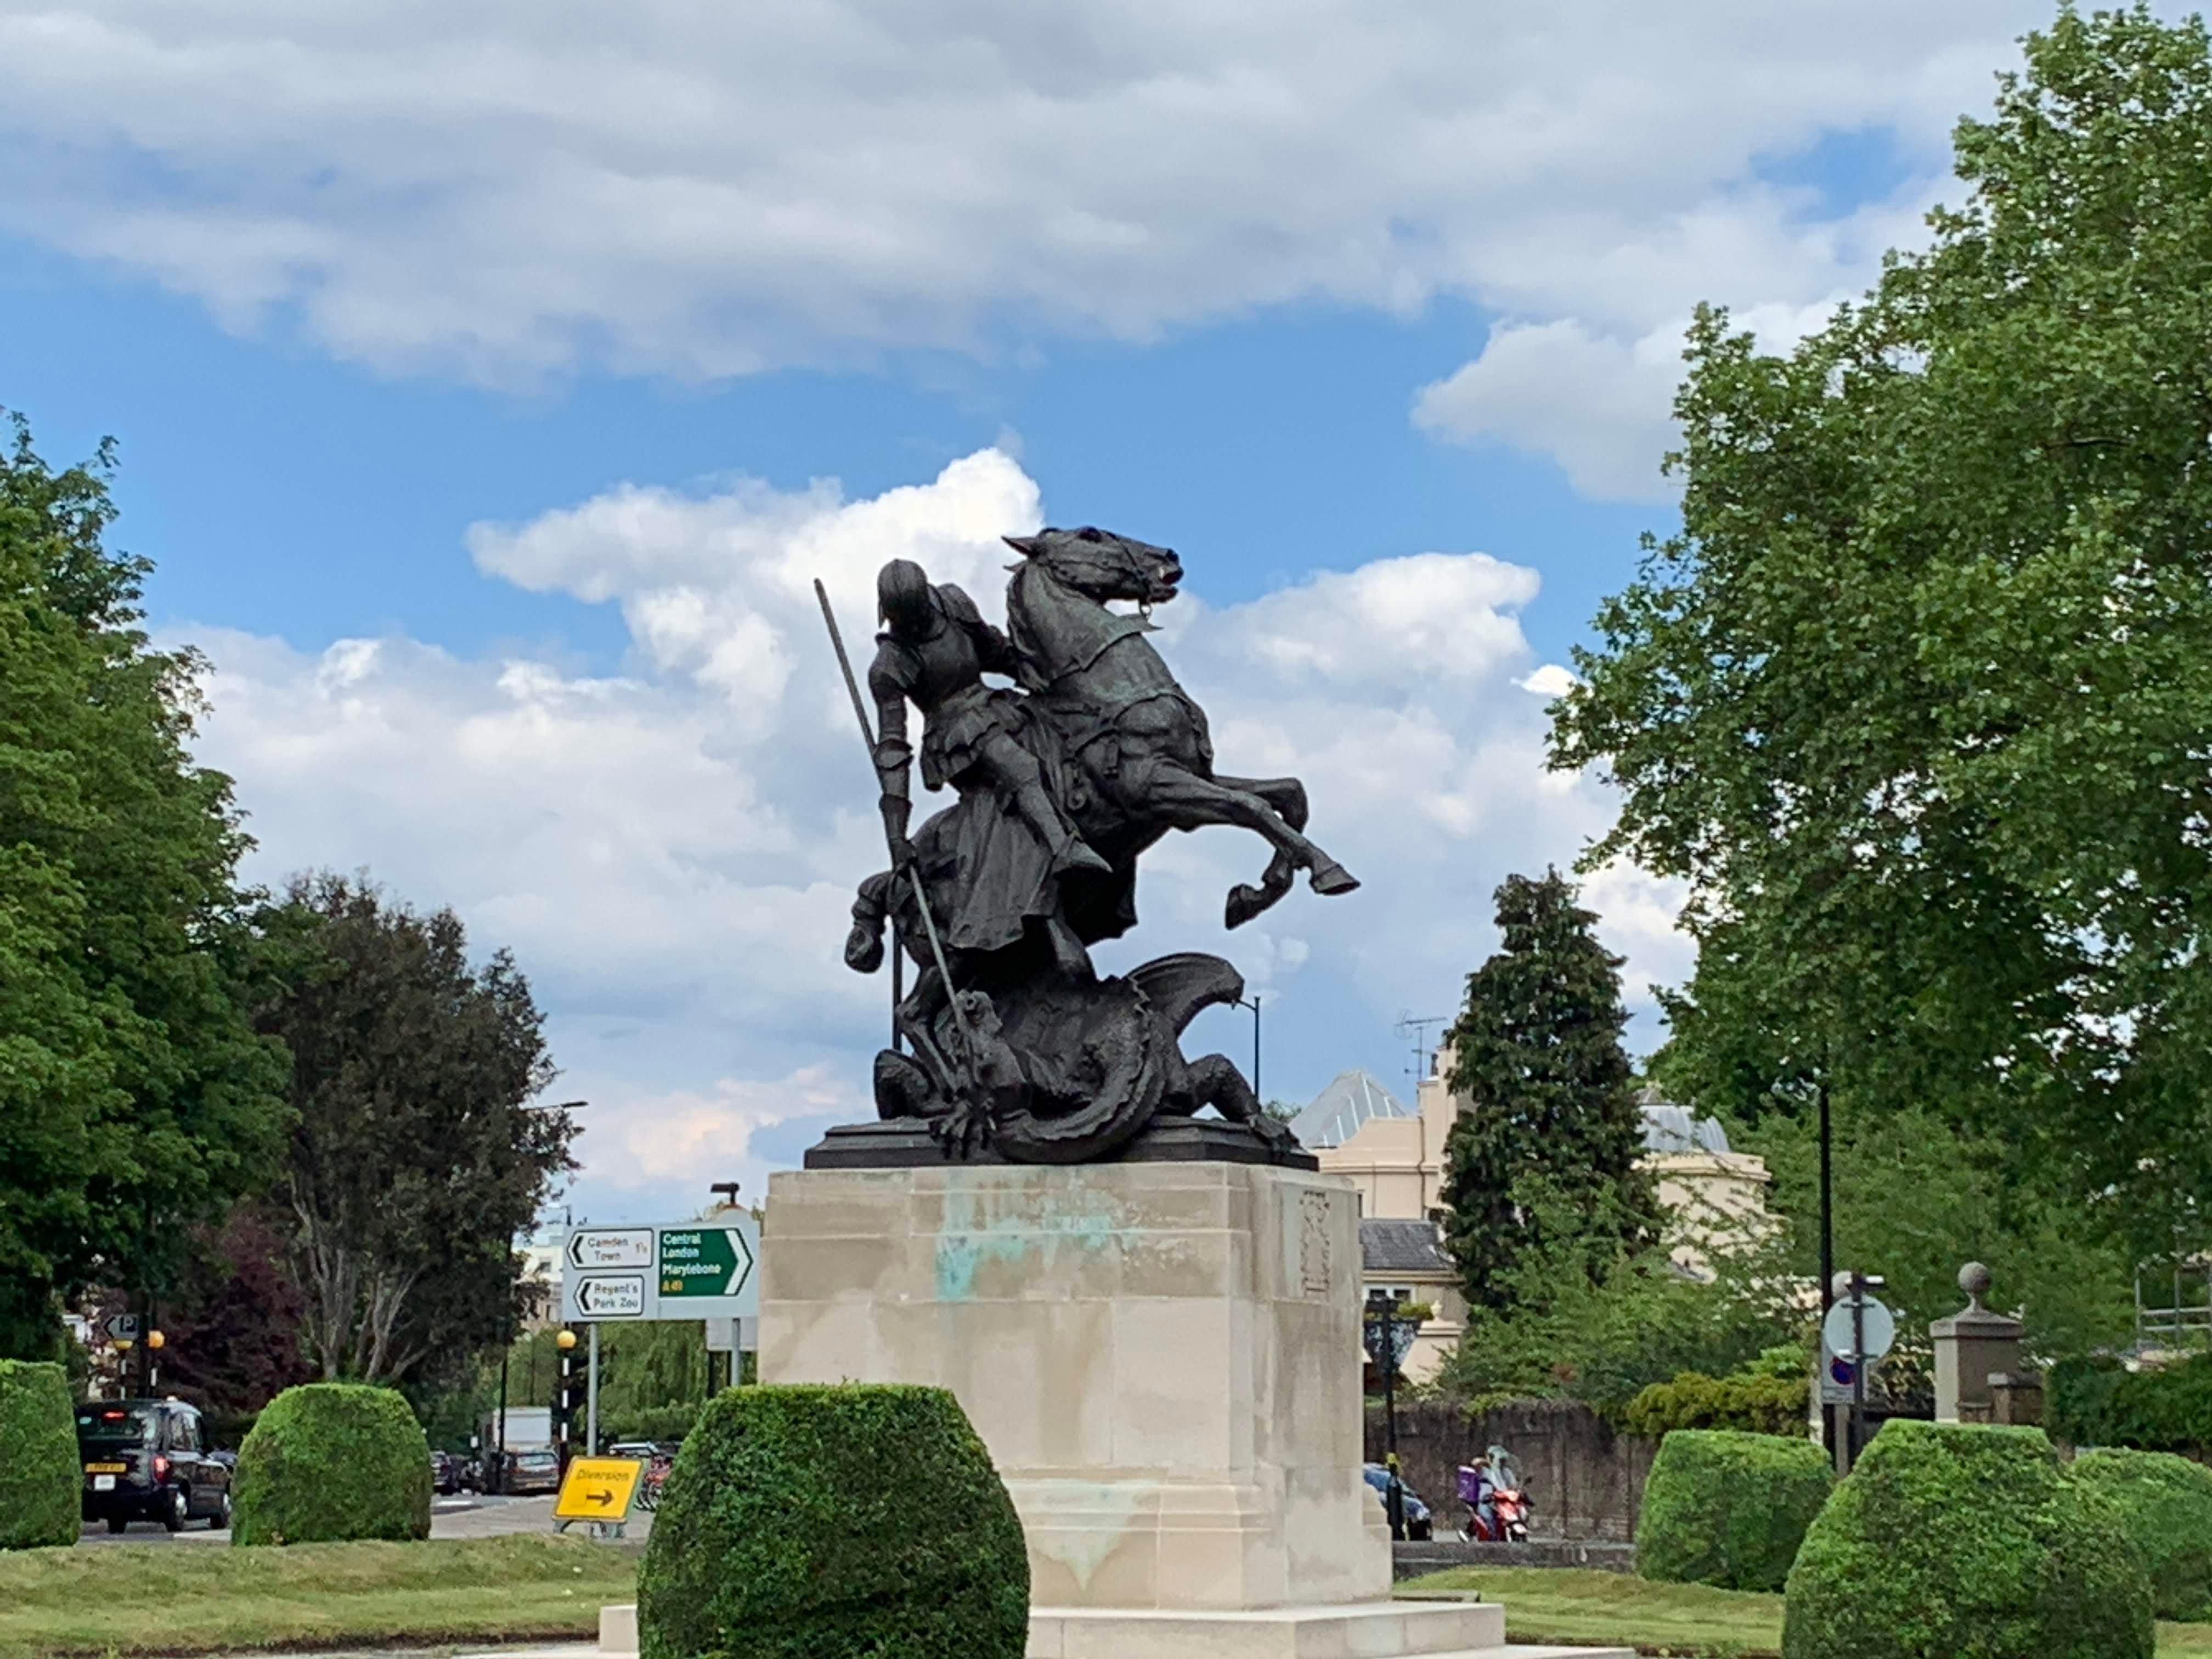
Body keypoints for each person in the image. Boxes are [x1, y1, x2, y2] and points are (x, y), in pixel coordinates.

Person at [868, 557, 1107, 884]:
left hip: (993, 705)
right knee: (1019, 766)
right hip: (954, 734)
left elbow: (993, 651)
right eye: (901, 622)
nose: (910, 628)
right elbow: (893, 752)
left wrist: (1041, 674)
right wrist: (896, 837)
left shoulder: (954, 603)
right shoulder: (890, 665)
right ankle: (1063, 848)